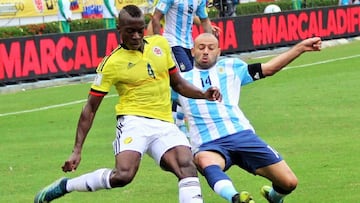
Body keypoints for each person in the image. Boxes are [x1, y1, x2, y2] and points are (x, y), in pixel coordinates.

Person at [34, 5, 222, 203]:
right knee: (123, 175)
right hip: (134, 122)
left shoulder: (160, 45)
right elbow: (90, 108)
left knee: (187, 167)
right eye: (130, 31)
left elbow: (178, 83)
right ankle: (66, 185)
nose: (136, 36)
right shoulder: (111, 63)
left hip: (164, 123)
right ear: (119, 29)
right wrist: (77, 149)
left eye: (140, 30)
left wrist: (203, 94)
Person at [172, 33, 322, 203]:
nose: (206, 52)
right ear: (192, 51)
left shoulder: (232, 67)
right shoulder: (180, 82)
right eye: (201, 47)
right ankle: (236, 198)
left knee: (289, 182)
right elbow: (170, 112)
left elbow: (269, 68)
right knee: (205, 160)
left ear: (219, 52)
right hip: (208, 143)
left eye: (211, 48)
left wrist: (300, 48)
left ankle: (273, 197)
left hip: (242, 135)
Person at [151, 0, 220, 136]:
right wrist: (159, 43)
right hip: (172, 43)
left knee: (185, 82)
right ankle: (179, 124)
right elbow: (155, 17)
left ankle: (174, 122)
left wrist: (210, 41)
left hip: (189, 45)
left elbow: (204, 20)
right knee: (187, 81)